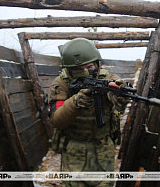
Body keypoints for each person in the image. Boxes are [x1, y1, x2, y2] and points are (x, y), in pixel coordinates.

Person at [48, 38, 129, 187]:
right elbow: (56, 120)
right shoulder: (61, 84)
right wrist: (75, 102)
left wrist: (121, 95)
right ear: (69, 69)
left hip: (103, 148)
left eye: (90, 67)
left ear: (97, 64)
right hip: (74, 149)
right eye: (78, 70)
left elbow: (118, 99)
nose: (86, 72)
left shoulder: (107, 78)